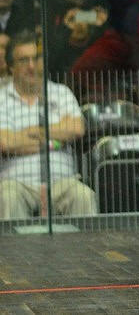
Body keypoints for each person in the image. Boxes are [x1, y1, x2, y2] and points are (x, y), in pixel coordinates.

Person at [0, 32, 97, 219]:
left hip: (62, 182)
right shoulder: (1, 98)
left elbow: (77, 128)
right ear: (11, 67)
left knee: (83, 195)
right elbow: (5, 142)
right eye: (23, 60)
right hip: (16, 183)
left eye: (36, 58)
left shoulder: (61, 92)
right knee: (7, 196)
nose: (31, 66)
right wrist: (56, 141)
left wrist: (31, 132)